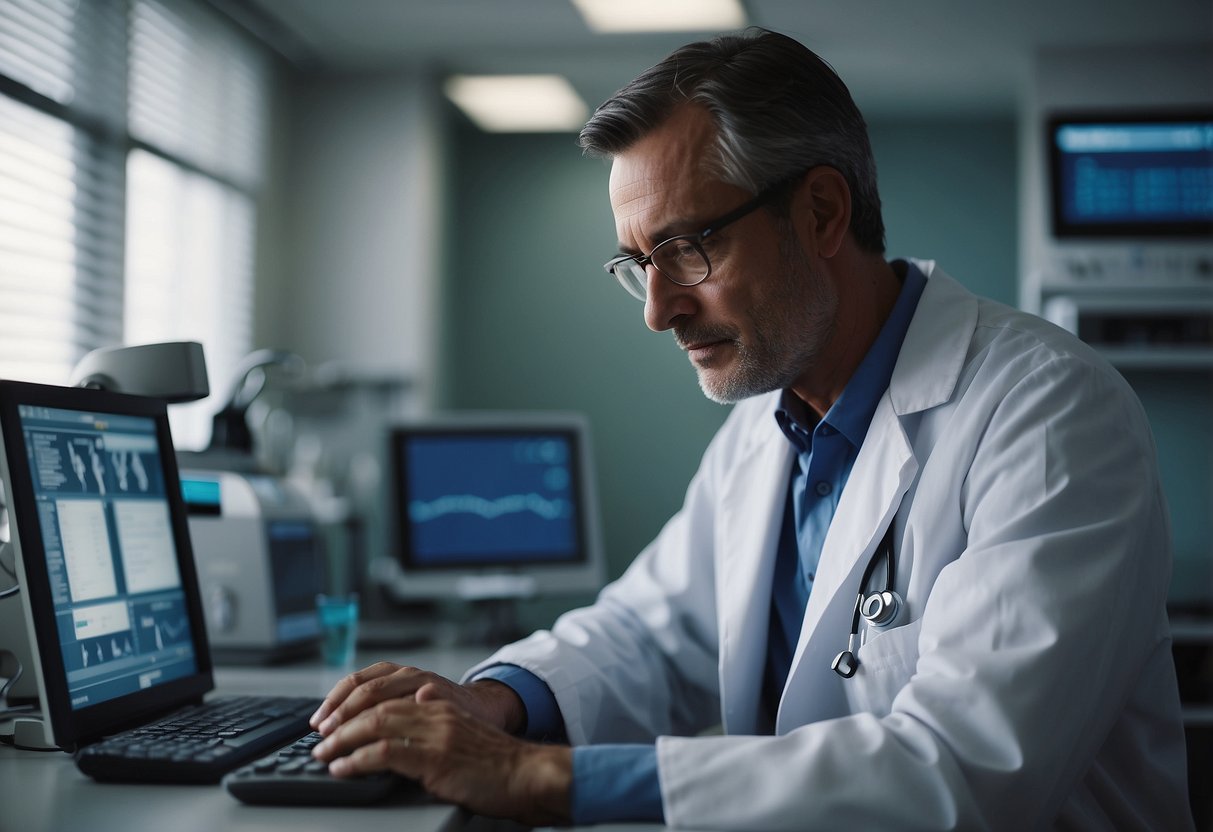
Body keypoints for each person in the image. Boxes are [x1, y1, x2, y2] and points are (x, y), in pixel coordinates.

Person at [308, 28, 1194, 830]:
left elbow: (965, 771)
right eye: (637, 263)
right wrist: (496, 703)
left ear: (818, 213)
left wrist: (542, 778)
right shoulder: (766, 427)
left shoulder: (1046, 412)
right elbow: (653, 632)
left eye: (689, 248)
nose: (657, 311)